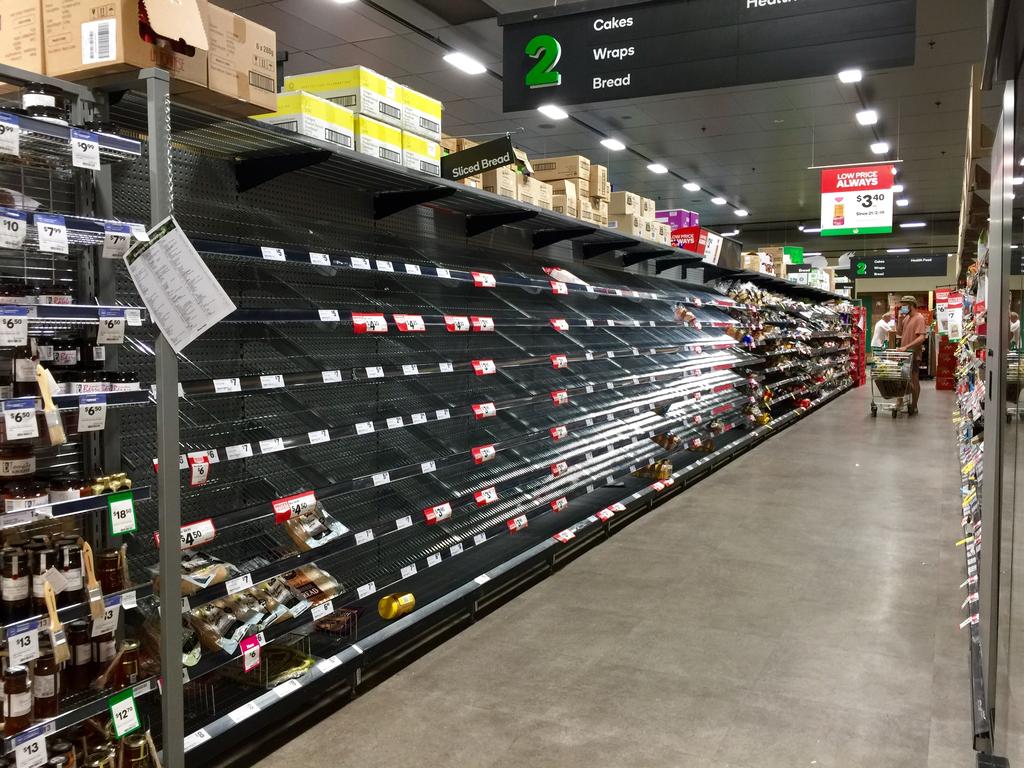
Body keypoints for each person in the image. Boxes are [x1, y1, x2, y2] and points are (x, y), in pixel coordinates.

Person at [896, 295, 927, 415]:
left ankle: (914, 405)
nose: (902, 307)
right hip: (904, 355)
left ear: (911, 305)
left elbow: (922, 337)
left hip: (913, 354)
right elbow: (899, 332)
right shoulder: (906, 318)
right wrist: (899, 318)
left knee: (914, 379)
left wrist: (907, 347)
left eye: (904, 305)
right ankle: (899, 402)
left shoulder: (919, 318)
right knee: (901, 378)